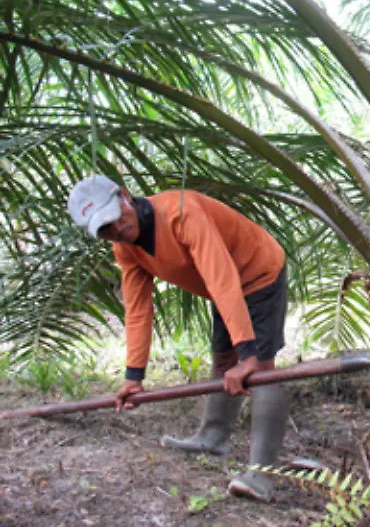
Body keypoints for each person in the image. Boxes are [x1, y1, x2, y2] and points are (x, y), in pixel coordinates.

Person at [67, 174, 290, 502]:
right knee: (223, 362)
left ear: (125, 196)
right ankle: (213, 437)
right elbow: (138, 310)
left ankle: (264, 474)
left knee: (261, 369)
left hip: (258, 272)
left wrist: (248, 355)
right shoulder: (126, 249)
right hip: (223, 288)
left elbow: (221, 277)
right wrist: (133, 377)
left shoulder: (181, 213)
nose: (117, 230)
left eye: (115, 217)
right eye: (105, 230)